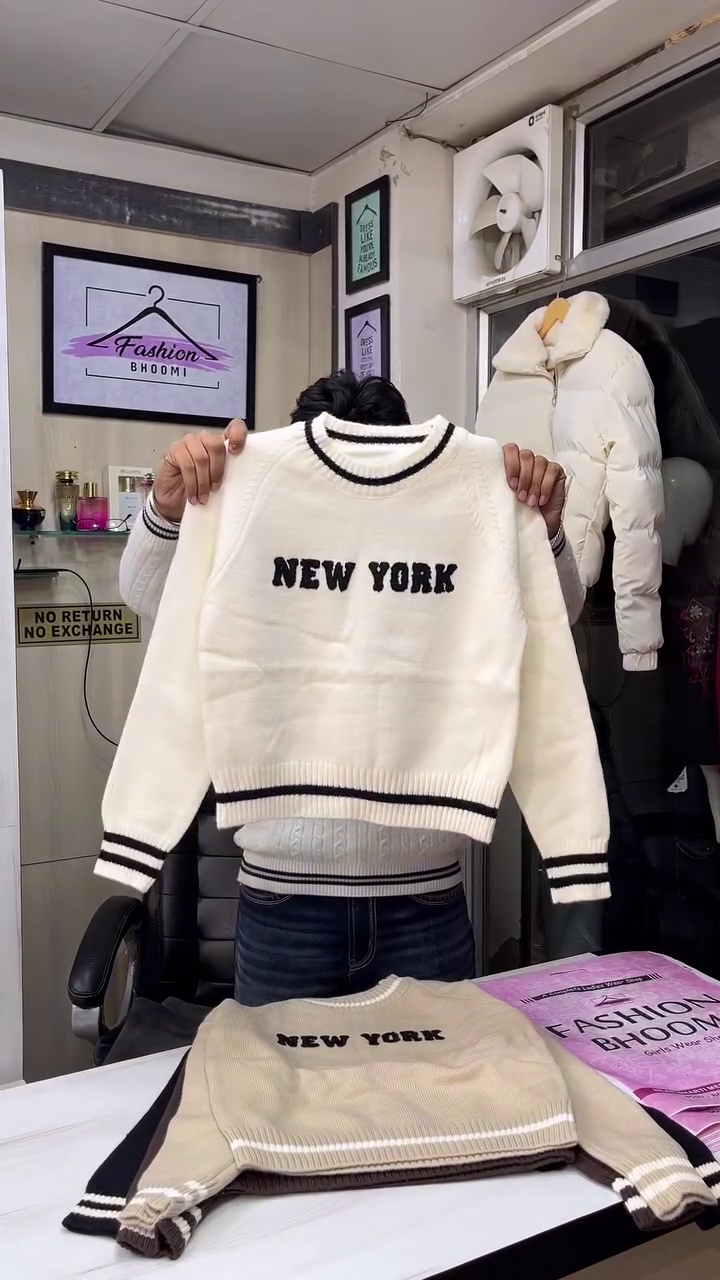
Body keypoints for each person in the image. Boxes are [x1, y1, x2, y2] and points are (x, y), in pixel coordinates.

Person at [120, 371, 583, 1005]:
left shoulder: (457, 504)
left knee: (433, 1070)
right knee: (283, 1071)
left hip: (425, 897)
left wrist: (542, 530)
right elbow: (147, 596)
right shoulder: (258, 498)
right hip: (285, 901)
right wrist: (171, 510)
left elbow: (556, 620)